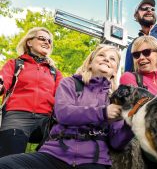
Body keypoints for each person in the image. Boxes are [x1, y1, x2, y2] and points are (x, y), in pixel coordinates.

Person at [0, 44, 134, 169]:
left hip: (93, 161)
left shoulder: (115, 100)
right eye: (101, 55)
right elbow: (63, 113)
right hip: (54, 154)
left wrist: (129, 126)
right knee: (5, 164)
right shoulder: (70, 83)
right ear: (90, 63)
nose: (106, 59)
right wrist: (102, 112)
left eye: (112, 59)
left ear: (115, 71)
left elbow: (117, 142)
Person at [0, 27, 63, 157]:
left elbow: (62, 98)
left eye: (49, 41)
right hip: (17, 116)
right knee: (9, 159)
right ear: (29, 42)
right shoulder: (15, 64)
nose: (47, 42)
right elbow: (3, 83)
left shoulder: (55, 73)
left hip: (45, 119)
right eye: (42, 38)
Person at [120, 36, 157, 169]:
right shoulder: (129, 78)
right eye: (136, 55)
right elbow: (136, 112)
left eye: (146, 52)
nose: (141, 57)